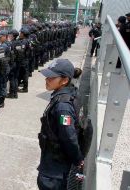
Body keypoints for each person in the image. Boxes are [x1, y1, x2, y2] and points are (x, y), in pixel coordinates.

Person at [37, 59, 84, 190]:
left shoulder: (63, 106)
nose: (47, 80)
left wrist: (78, 159)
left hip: (54, 170)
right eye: (47, 77)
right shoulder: (69, 93)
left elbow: (69, 137)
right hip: (55, 163)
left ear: (64, 80)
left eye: (51, 77)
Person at [0, 30, 11, 108]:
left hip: (3, 68)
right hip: (6, 66)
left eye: (0, 37)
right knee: (3, 84)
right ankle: (1, 100)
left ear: (5, 36)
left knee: (2, 85)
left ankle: (1, 102)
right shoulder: (8, 44)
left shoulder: (3, 46)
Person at [18, 27, 31, 93]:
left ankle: (25, 88)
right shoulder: (28, 40)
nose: (20, 34)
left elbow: (21, 52)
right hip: (26, 59)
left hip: (23, 60)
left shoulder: (24, 41)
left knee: (24, 74)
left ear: (24, 34)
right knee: (23, 74)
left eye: (21, 33)